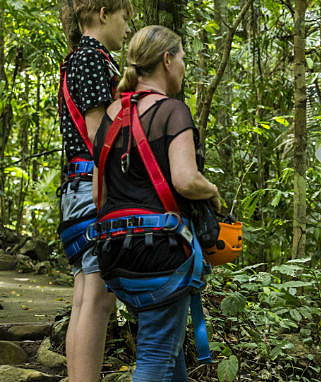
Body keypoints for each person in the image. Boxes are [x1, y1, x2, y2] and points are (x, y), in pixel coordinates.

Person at [91, 25, 221, 382]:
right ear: (167, 60)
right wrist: (212, 190)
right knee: (156, 357)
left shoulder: (111, 114)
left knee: (168, 353)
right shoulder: (172, 111)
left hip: (115, 255)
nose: (183, 67)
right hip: (160, 255)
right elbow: (186, 180)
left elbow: (98, 196)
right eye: (182, 59)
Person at [57, 0, 132, 382]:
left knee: (86, 297)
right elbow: (98, 131)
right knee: (100, 299)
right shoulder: (91, 58)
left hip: (79, 184)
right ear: (104, 15)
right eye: (123, 18)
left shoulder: (79, 58)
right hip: (92, 185)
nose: (126, 28)